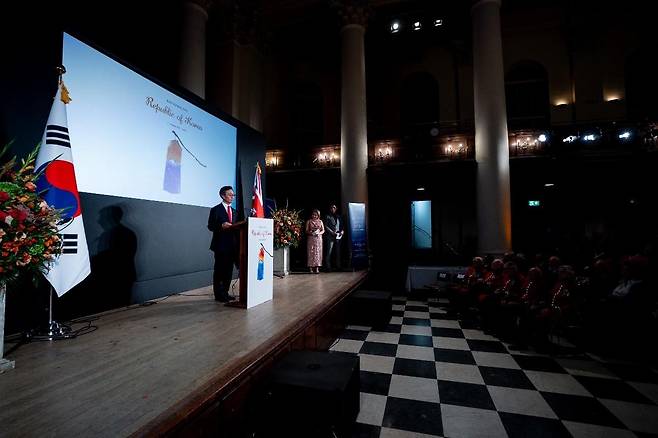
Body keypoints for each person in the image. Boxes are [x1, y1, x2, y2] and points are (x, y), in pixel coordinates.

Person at [207, 186, 238, 302]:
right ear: (223, 196)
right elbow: (210, 226)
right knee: (220, 271)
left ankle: (225, 292)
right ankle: (218, 295)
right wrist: (221, 226)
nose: (232, 197)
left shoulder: (235, 211)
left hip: (233, 246)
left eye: (233, 195)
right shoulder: (215, 209)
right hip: (220, 246)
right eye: (230, 195)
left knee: (229, 271)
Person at [323, 204, 343, 272]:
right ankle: (328, 267)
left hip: (338, 236)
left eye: (334, 208)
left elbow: (342, 226)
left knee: (338, 252)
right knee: (329, 251)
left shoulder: (339, 217)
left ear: (336, 208)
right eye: (331, 208)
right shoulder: (327, 216)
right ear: (330, 209)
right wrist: (331, 232)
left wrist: (342, 231)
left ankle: (338, 266)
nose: (333, 209)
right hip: (330, 236)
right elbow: (325, 226)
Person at [306, 209, 325, 274]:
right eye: (313, 215)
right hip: (311, 238)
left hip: (318, 238)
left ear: (318, 215)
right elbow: (306, 230)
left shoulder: (320, 221)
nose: (314, 216)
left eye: (315, 215)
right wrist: (311, 233)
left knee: (318, 252)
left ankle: (317, 268)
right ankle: (311, 268)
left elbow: (323, 230)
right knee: (311, 252)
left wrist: (319, 233)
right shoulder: (309, 221)